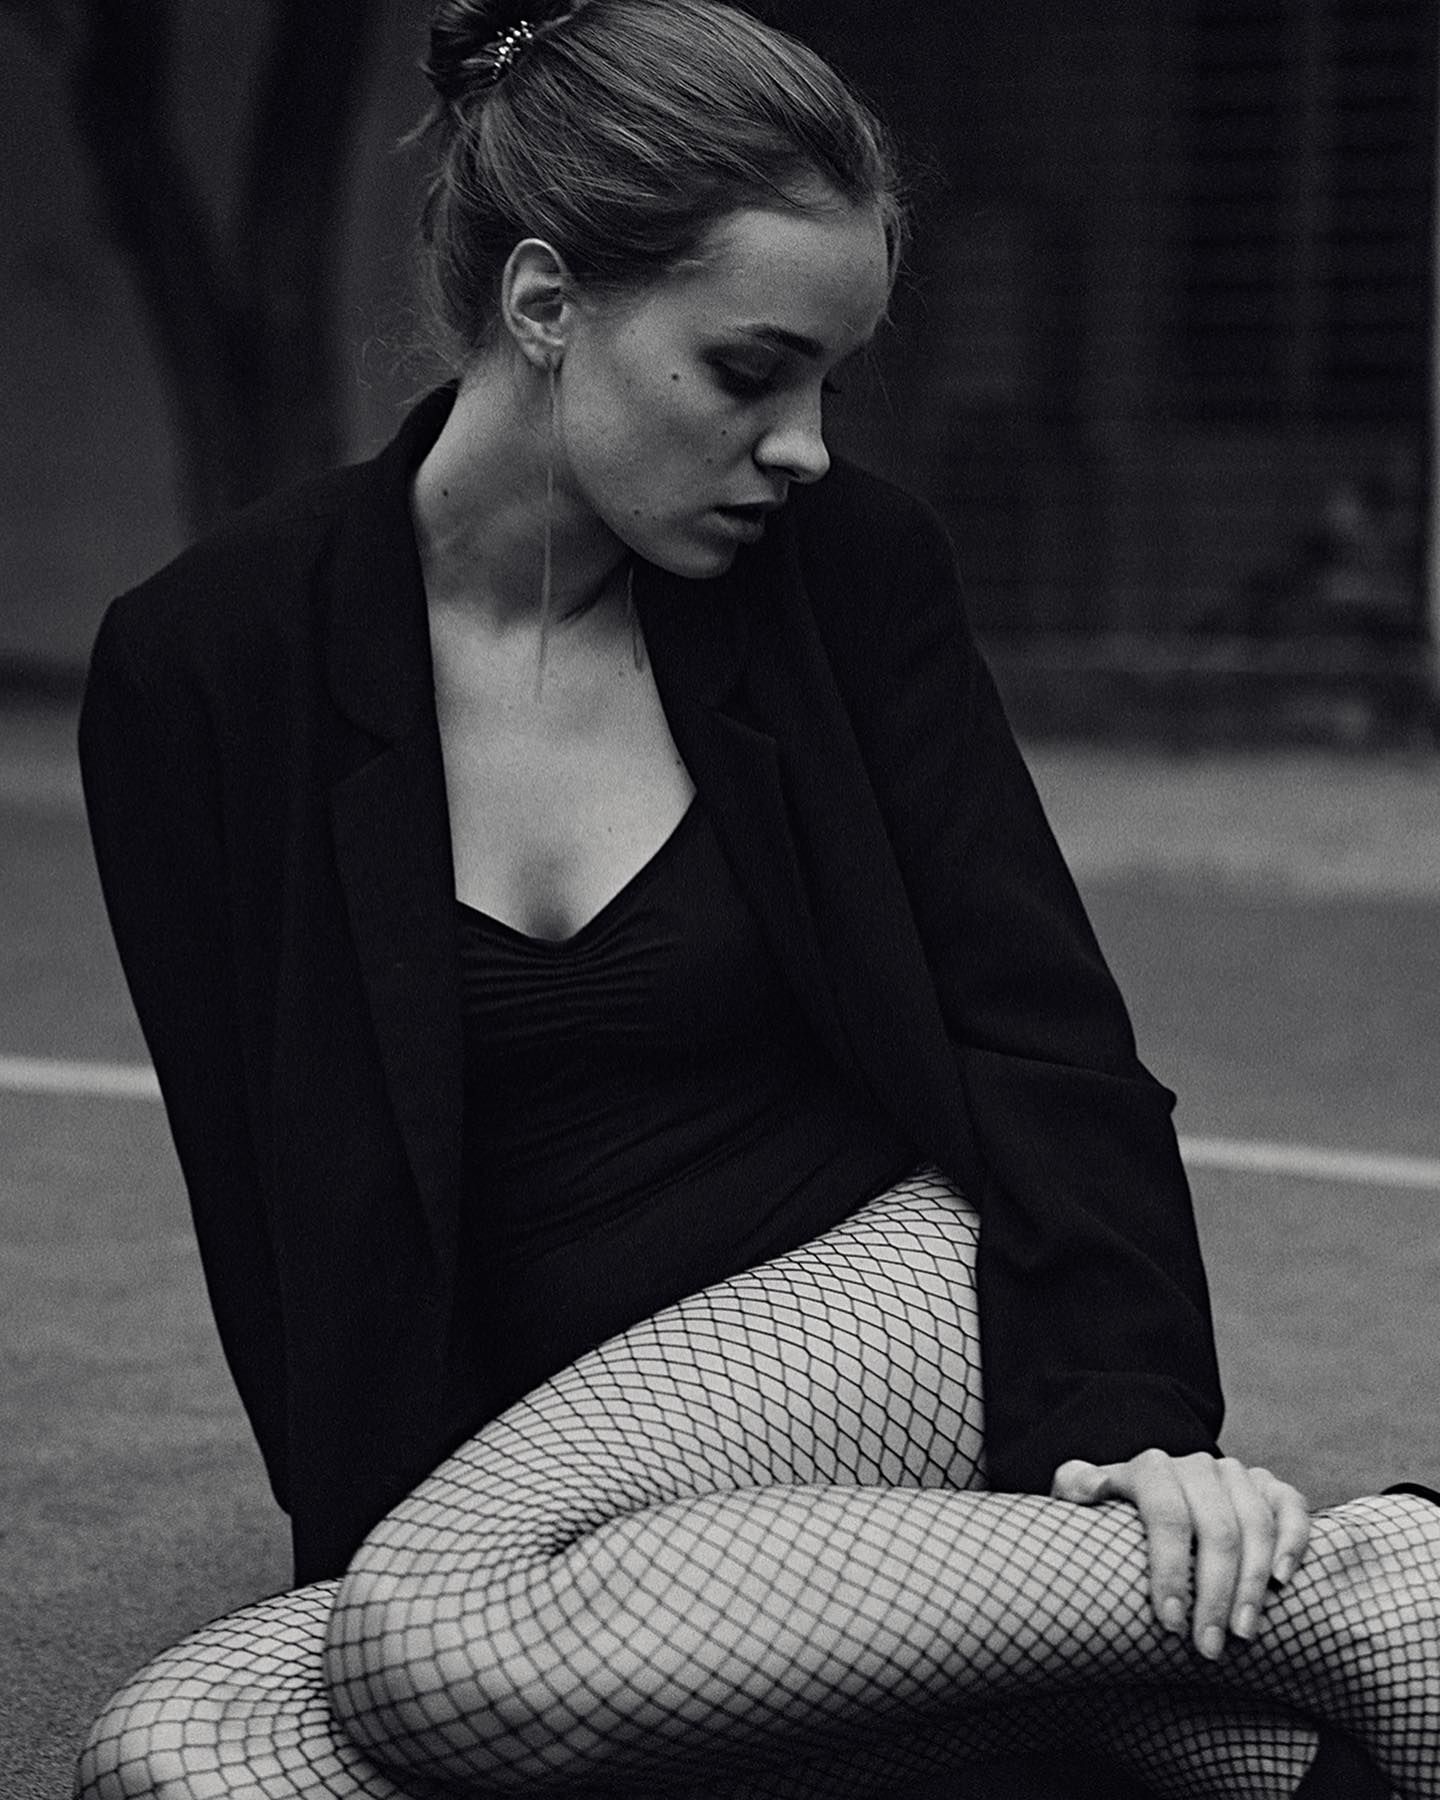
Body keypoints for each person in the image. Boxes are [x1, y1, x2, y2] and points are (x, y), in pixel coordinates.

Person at [73, 2, 1436, 1797]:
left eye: (828, 388)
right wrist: (397, 1543)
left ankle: (1360, 1582)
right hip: (564, 1445)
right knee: (184, 1757)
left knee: (435, 1643)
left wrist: (1128, 1427)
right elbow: (271, 1190)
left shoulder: (849, 575)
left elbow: (1042, 1040)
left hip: (888, 1292)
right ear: (547, 305)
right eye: (748, 373)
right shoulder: (202, 669)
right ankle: (1259, 1693)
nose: (802, 446)